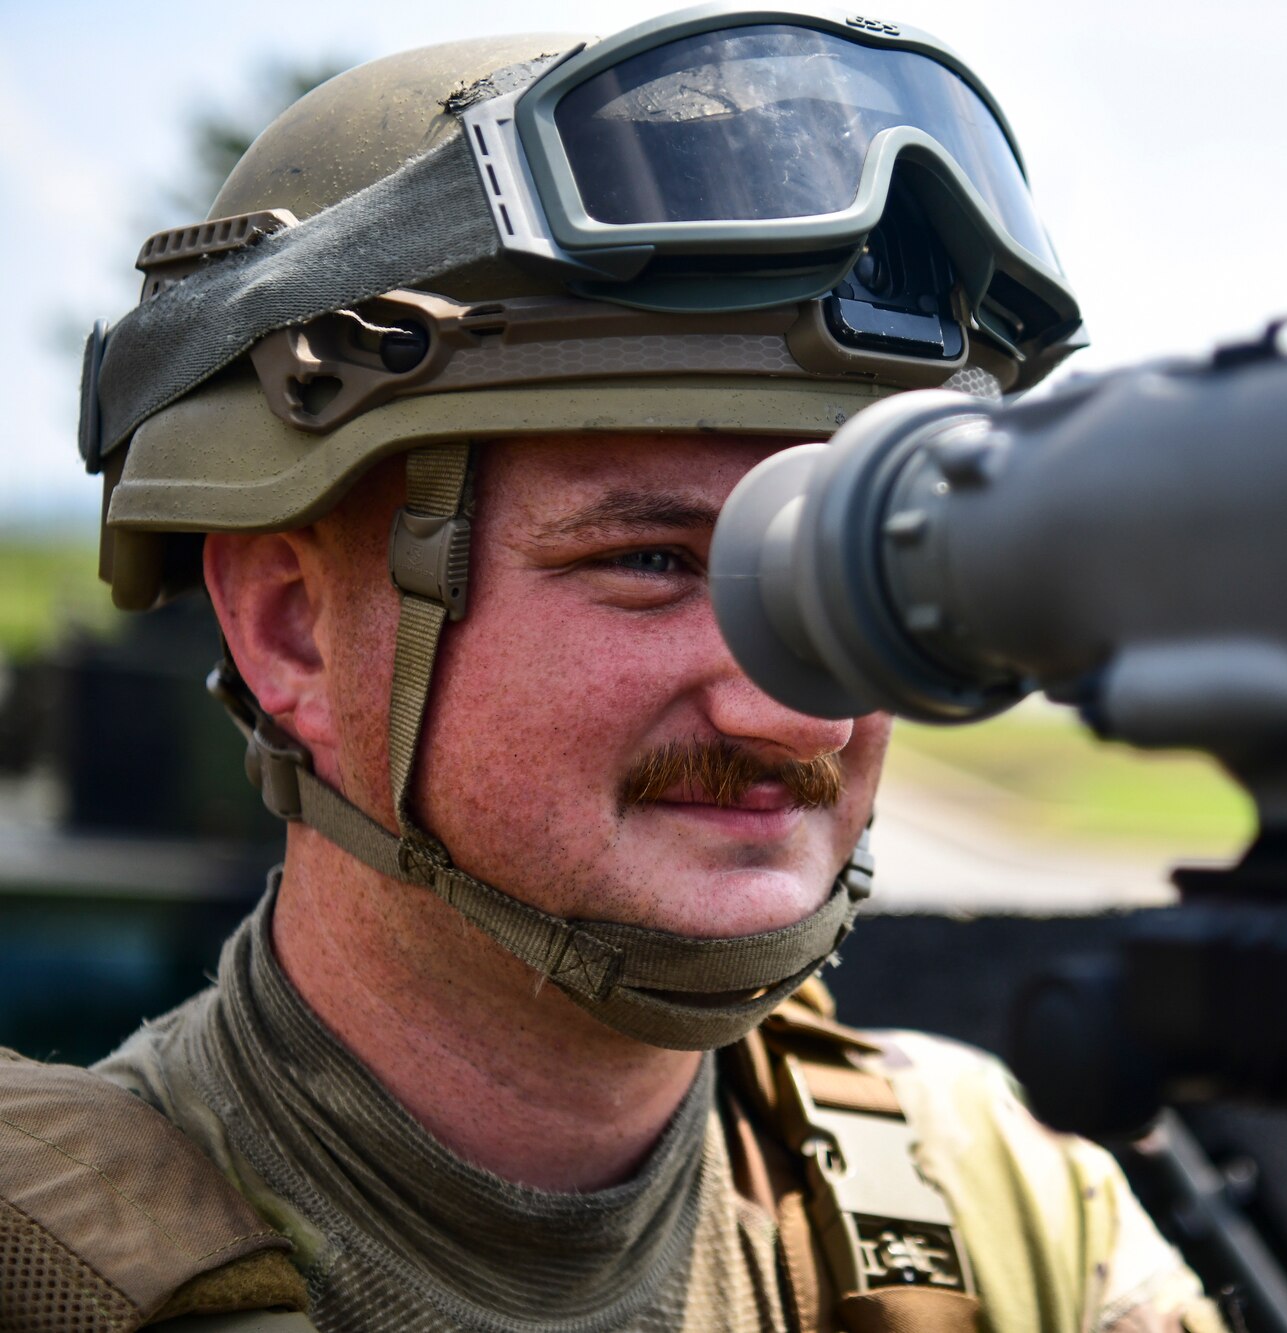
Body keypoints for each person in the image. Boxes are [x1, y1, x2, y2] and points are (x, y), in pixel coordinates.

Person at [2, 11, 1221, 1332]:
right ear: (297, 625)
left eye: (843, 571)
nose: (795, 704)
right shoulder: (44, 1269)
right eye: (651, 559)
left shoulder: (1014, 1218)